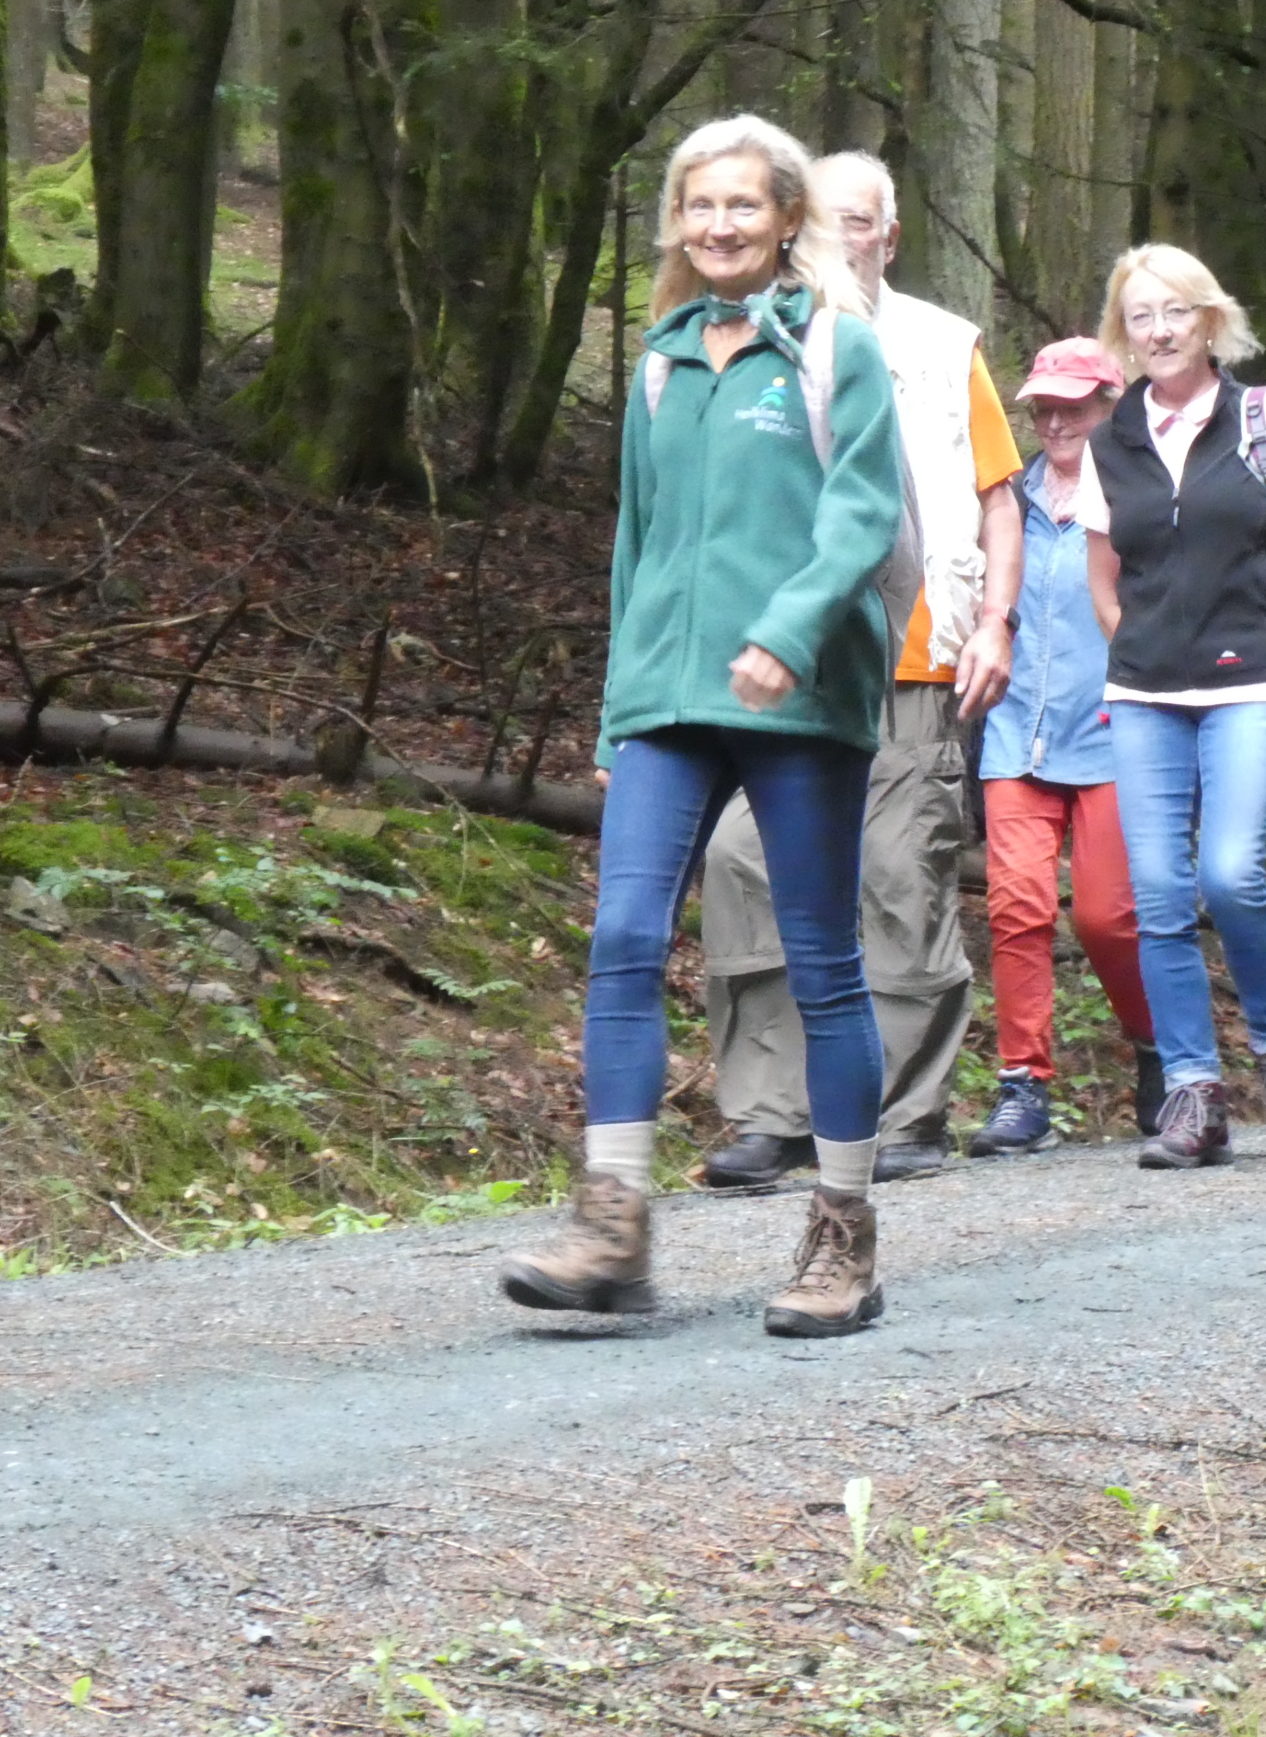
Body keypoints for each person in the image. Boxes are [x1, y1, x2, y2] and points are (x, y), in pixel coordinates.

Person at [498, 115, 904, 1336]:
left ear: (788, 218)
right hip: (670, 700)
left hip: (802, 694)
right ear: (677, 222)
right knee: (623, 937)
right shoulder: (663, 360)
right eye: (698, 206)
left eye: (743, 205)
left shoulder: (838, 350)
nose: (718, 225)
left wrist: (785, 634)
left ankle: (842, 1234)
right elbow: (638, 541)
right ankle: (612, 1226)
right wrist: (621, 703)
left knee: (821, 966)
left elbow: (862, 517)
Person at [694, 149, 1024, 1191]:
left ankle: (908, 1114)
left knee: (896, 877)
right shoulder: (761, 339)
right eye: (827, 224)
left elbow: (998, 496)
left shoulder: (939, 344)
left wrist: (996, 625)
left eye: (864, 224)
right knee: (742, 862)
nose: (846, 242)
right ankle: (771, 1112)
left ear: (891, 234)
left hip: (917, 647)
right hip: (792, 658)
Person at [1075, 244, 1266, 1169]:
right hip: (1148, 690)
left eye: (1174, 313)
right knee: (1156, 894)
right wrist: (1146, 650)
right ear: (1123, 334)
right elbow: (1104, 579)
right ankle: (1194, 1094)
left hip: (1259, 676)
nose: (1158, 332)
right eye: (1140, 317)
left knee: (1230, 873)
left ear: (1209, 320)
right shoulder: (1108, 439)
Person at [963, 338, 1165, 1155]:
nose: (1054, 420)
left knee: (1112, 919)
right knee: (1016, 909)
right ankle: (1024, 1090)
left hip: (1117, 731)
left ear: (1110, 406)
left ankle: (1159, 1049)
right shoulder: (1006, 500)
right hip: (1016, 731)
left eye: (1073, 405)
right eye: (1043, 406)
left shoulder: (1143, 497)